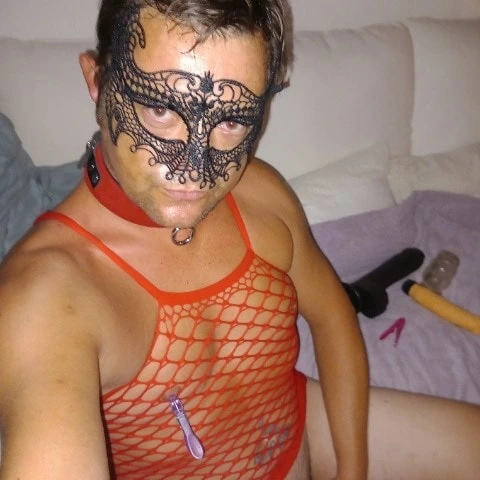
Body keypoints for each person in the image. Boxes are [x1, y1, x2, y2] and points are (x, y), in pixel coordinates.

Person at [0, 1, 479, 479]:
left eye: (231, 121)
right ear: (97, 80)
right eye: (161, 108)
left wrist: (352, 468)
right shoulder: (44, 301)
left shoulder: (261, 193)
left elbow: (333, 319)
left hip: (299, 423)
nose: (195, 169)